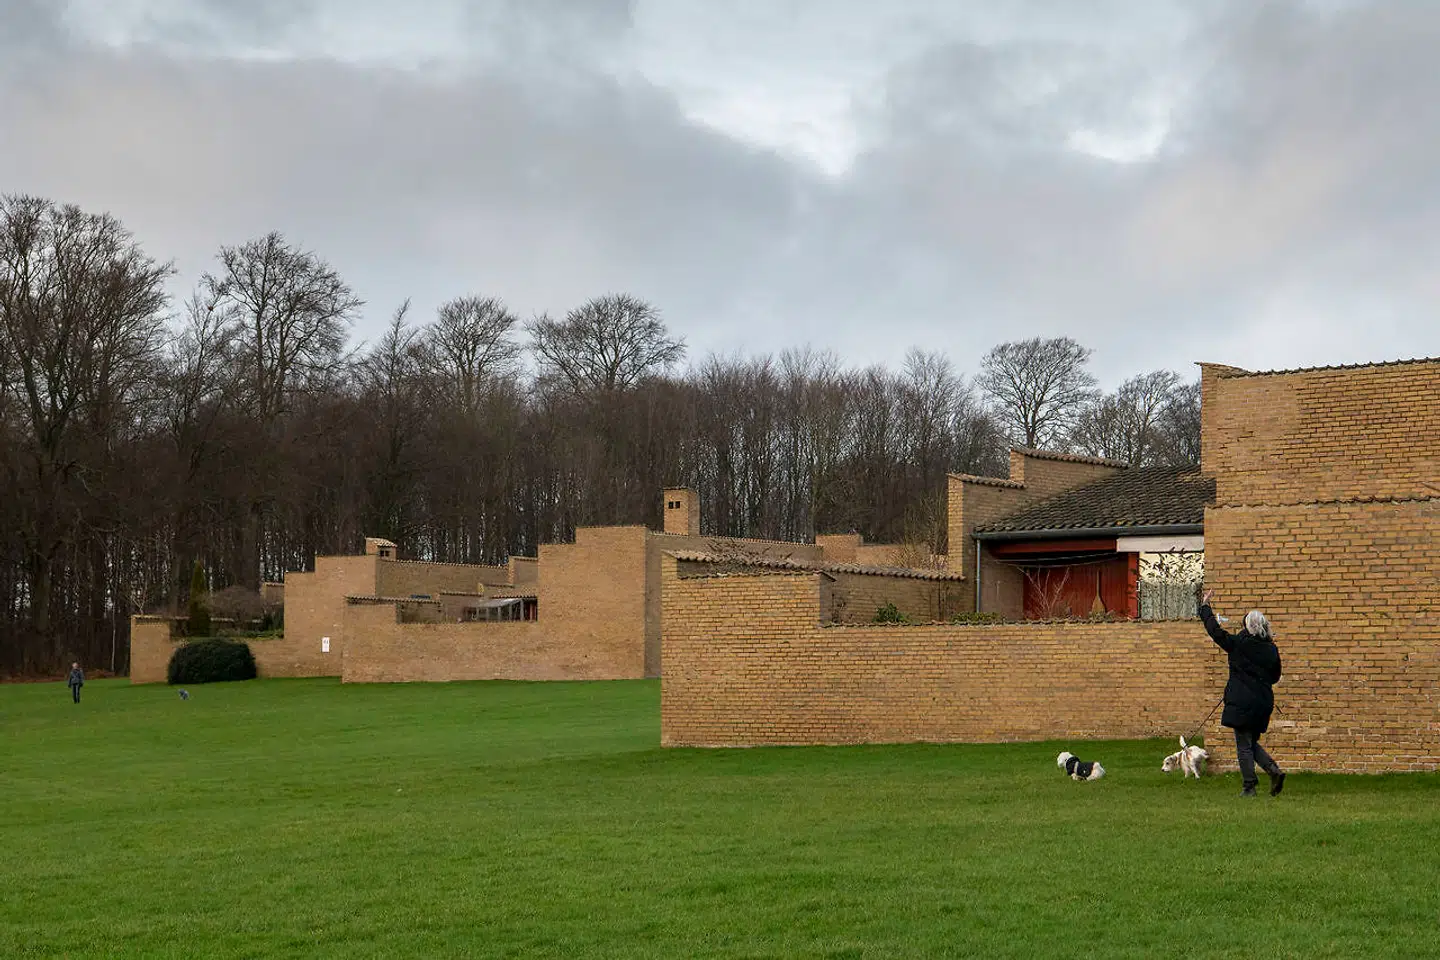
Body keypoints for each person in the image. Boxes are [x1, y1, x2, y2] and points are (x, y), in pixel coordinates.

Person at [1199, 590, 1285, 797]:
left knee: (1244, 745)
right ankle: (1273, 771)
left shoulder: (1239, 643)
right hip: (1263, 702)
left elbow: (1215, 631)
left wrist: (1205, 608)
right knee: (1250, 742)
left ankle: (1249, 787)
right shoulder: (1271, 649)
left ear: (1247, 626)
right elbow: (1275, 677)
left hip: (1242, 701)